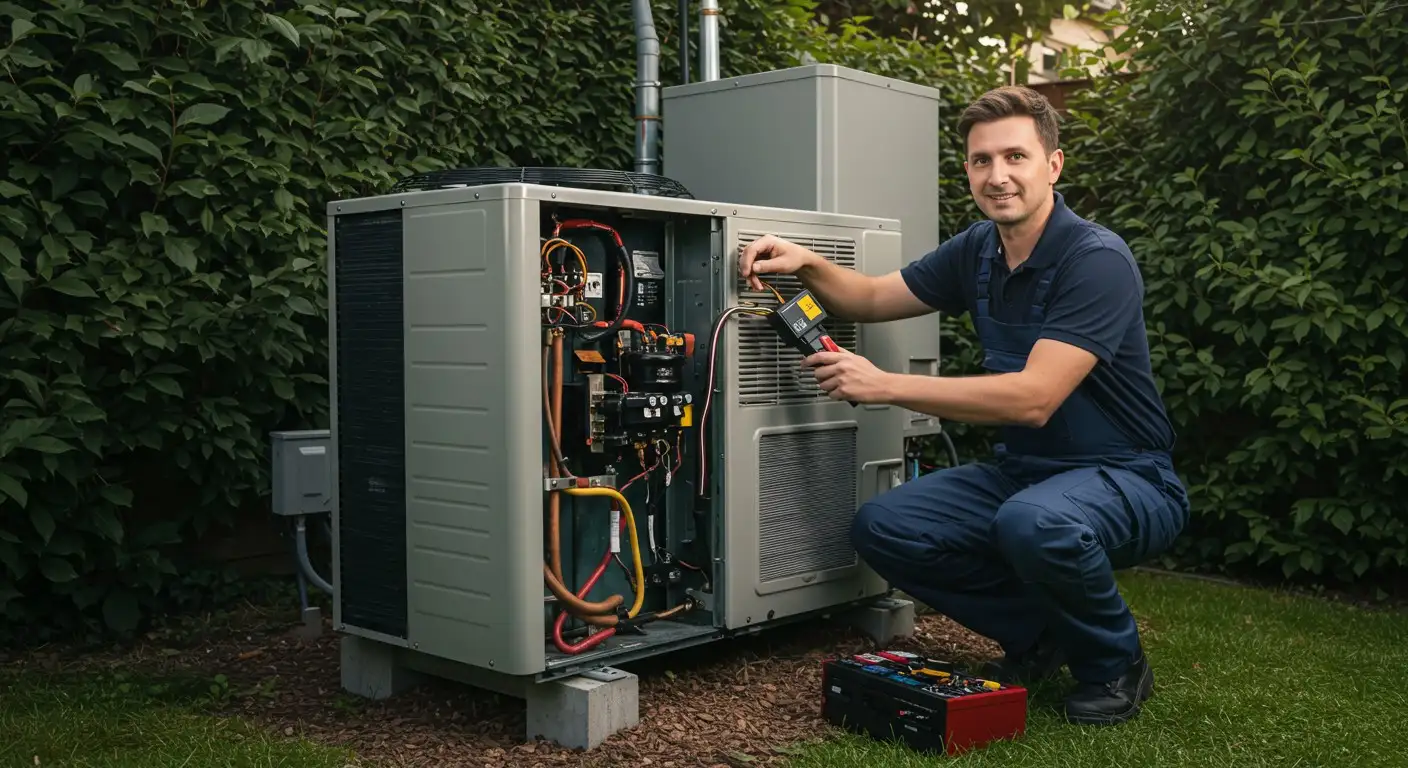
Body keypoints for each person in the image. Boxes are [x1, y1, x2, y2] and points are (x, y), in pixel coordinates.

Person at [738, 85, 1189, 726]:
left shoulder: (1096, 261)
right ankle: (1040, 634)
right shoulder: (978, 249)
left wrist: (887, 384)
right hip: (1027, 476)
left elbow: (1034, 399)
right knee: (884, 528)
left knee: (1033, 524)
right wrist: (807, 261)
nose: (997, 175)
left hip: (1127, 476)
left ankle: (1114, 664)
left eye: (1015, 157)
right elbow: (868, 297)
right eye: (981, 160)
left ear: (1053, 165)